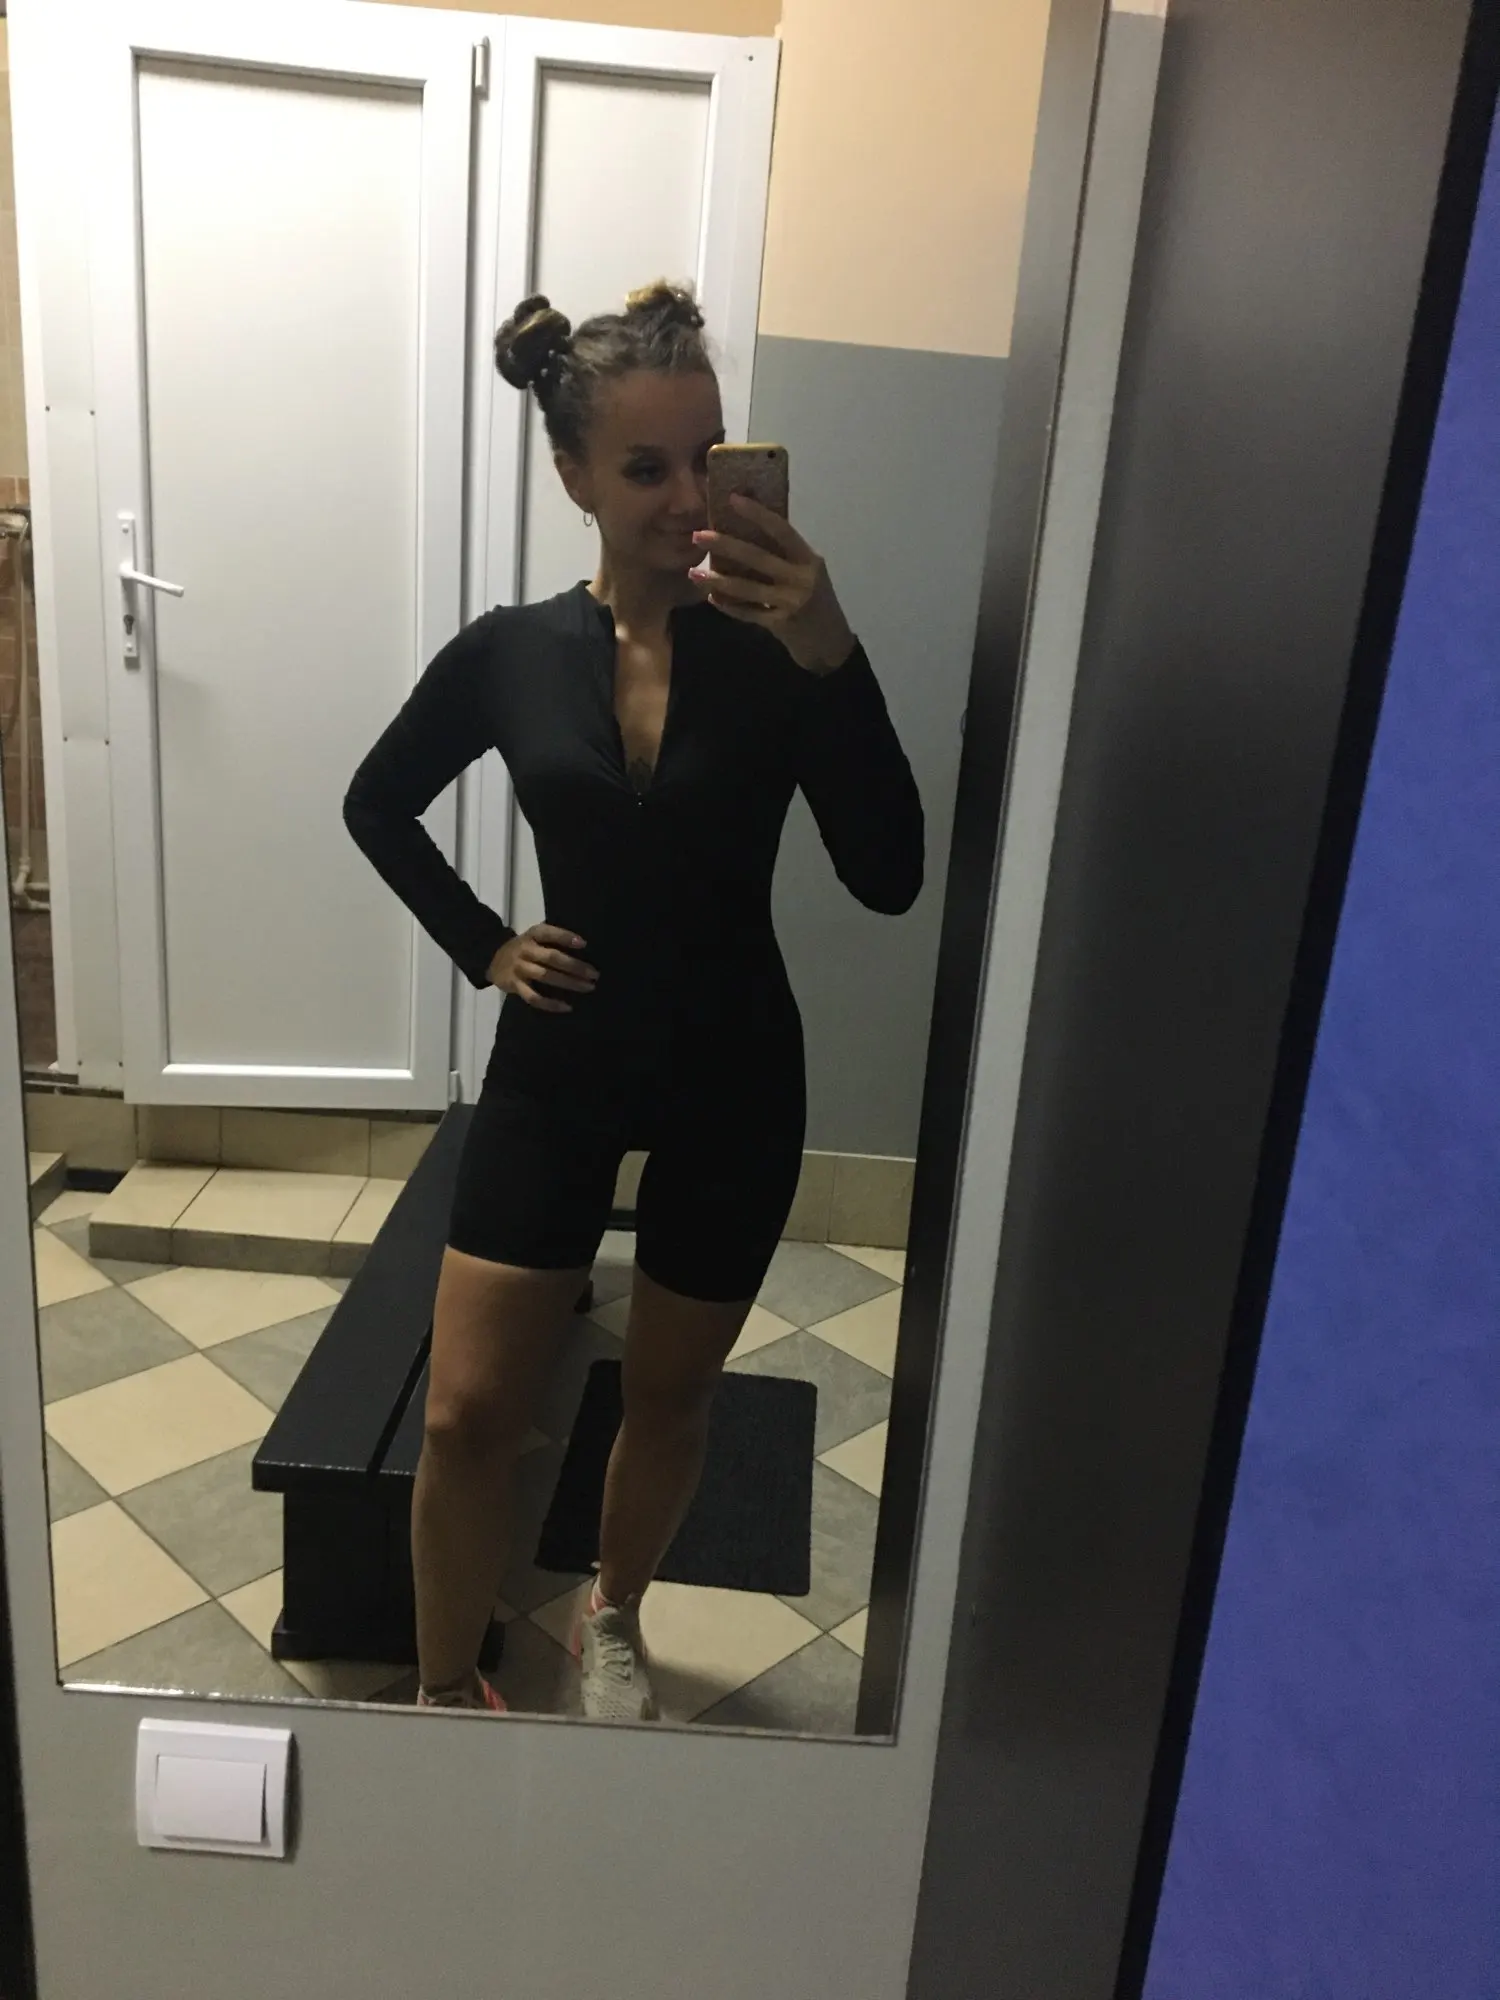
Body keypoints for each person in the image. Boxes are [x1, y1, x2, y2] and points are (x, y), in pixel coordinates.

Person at [343, 280, 923, 1722]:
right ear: (575, 479)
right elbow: (377, 804)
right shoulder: (511, 651)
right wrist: (486, 945)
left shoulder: (781, 649)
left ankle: (613, 1612)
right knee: (467, 1413)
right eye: (647, 467)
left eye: (709, 458)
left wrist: (833, 650)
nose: (688, 498)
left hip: (737, 1065)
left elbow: (891, 875)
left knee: (669, 1396)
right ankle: (443, 1688)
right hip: (563, 1058)